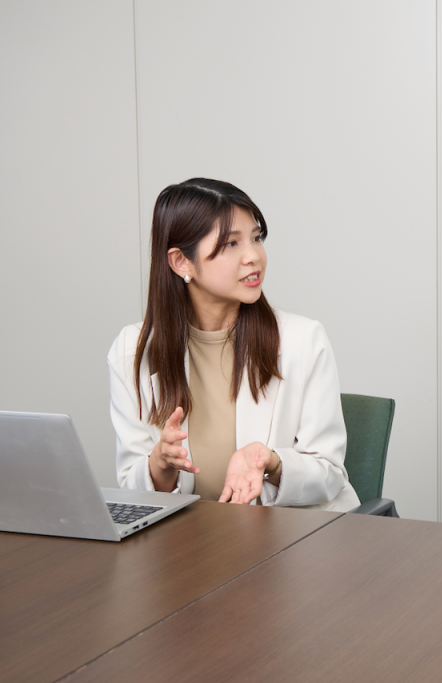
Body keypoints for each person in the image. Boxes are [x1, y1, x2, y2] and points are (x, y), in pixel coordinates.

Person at [108, 178, 360, 511]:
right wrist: (160, 462)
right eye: (231, 244)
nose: (253, 256)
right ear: (181, 262)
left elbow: (329, 475)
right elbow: (131, 485)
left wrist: (271, 463)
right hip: (190, 546)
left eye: (256, 238)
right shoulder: (132, 352)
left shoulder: (303, 340)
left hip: (292, 543)